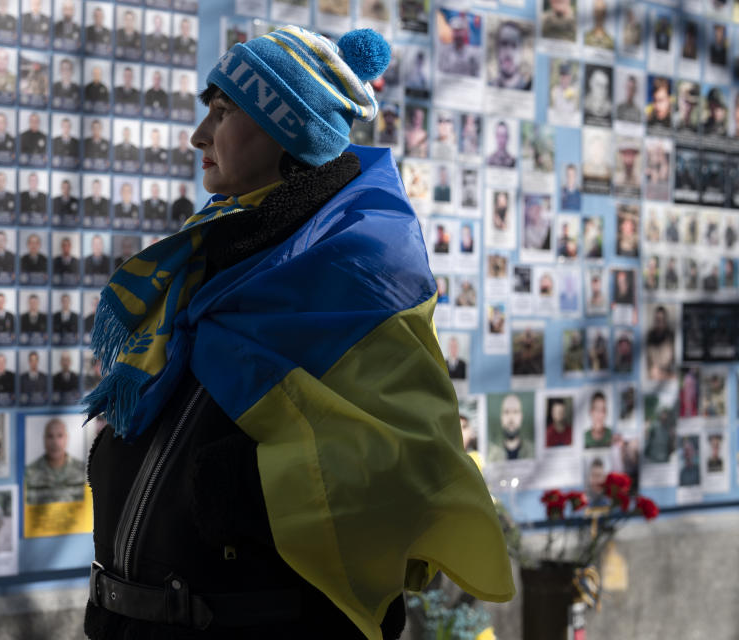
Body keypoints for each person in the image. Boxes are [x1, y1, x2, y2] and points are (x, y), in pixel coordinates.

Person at [83, 26, 512, 640]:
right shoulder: (216, 255)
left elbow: (417, 471)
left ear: (287, 131)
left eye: (224, 112)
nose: (198, 135)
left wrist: (251, 488)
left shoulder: (361, 270)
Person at [25, 417, 83, 504]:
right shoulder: (28, 473)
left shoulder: (83, 470)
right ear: (44, 439)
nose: (55, 442)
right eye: (50, 436)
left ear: (66, 438)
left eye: (60, 436)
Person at [488, 393, 534, 461]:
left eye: (515, 412)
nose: (511, 418)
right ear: (501, 418)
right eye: (506, 412)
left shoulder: (532, 452)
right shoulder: (491, 456)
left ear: (521, 417)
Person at [491, 21, 531, 90]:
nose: (508, 52)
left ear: (521, 52)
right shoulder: (489, 86)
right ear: (496, 48)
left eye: (514, 46)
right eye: (504, 44)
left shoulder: (528, 89)